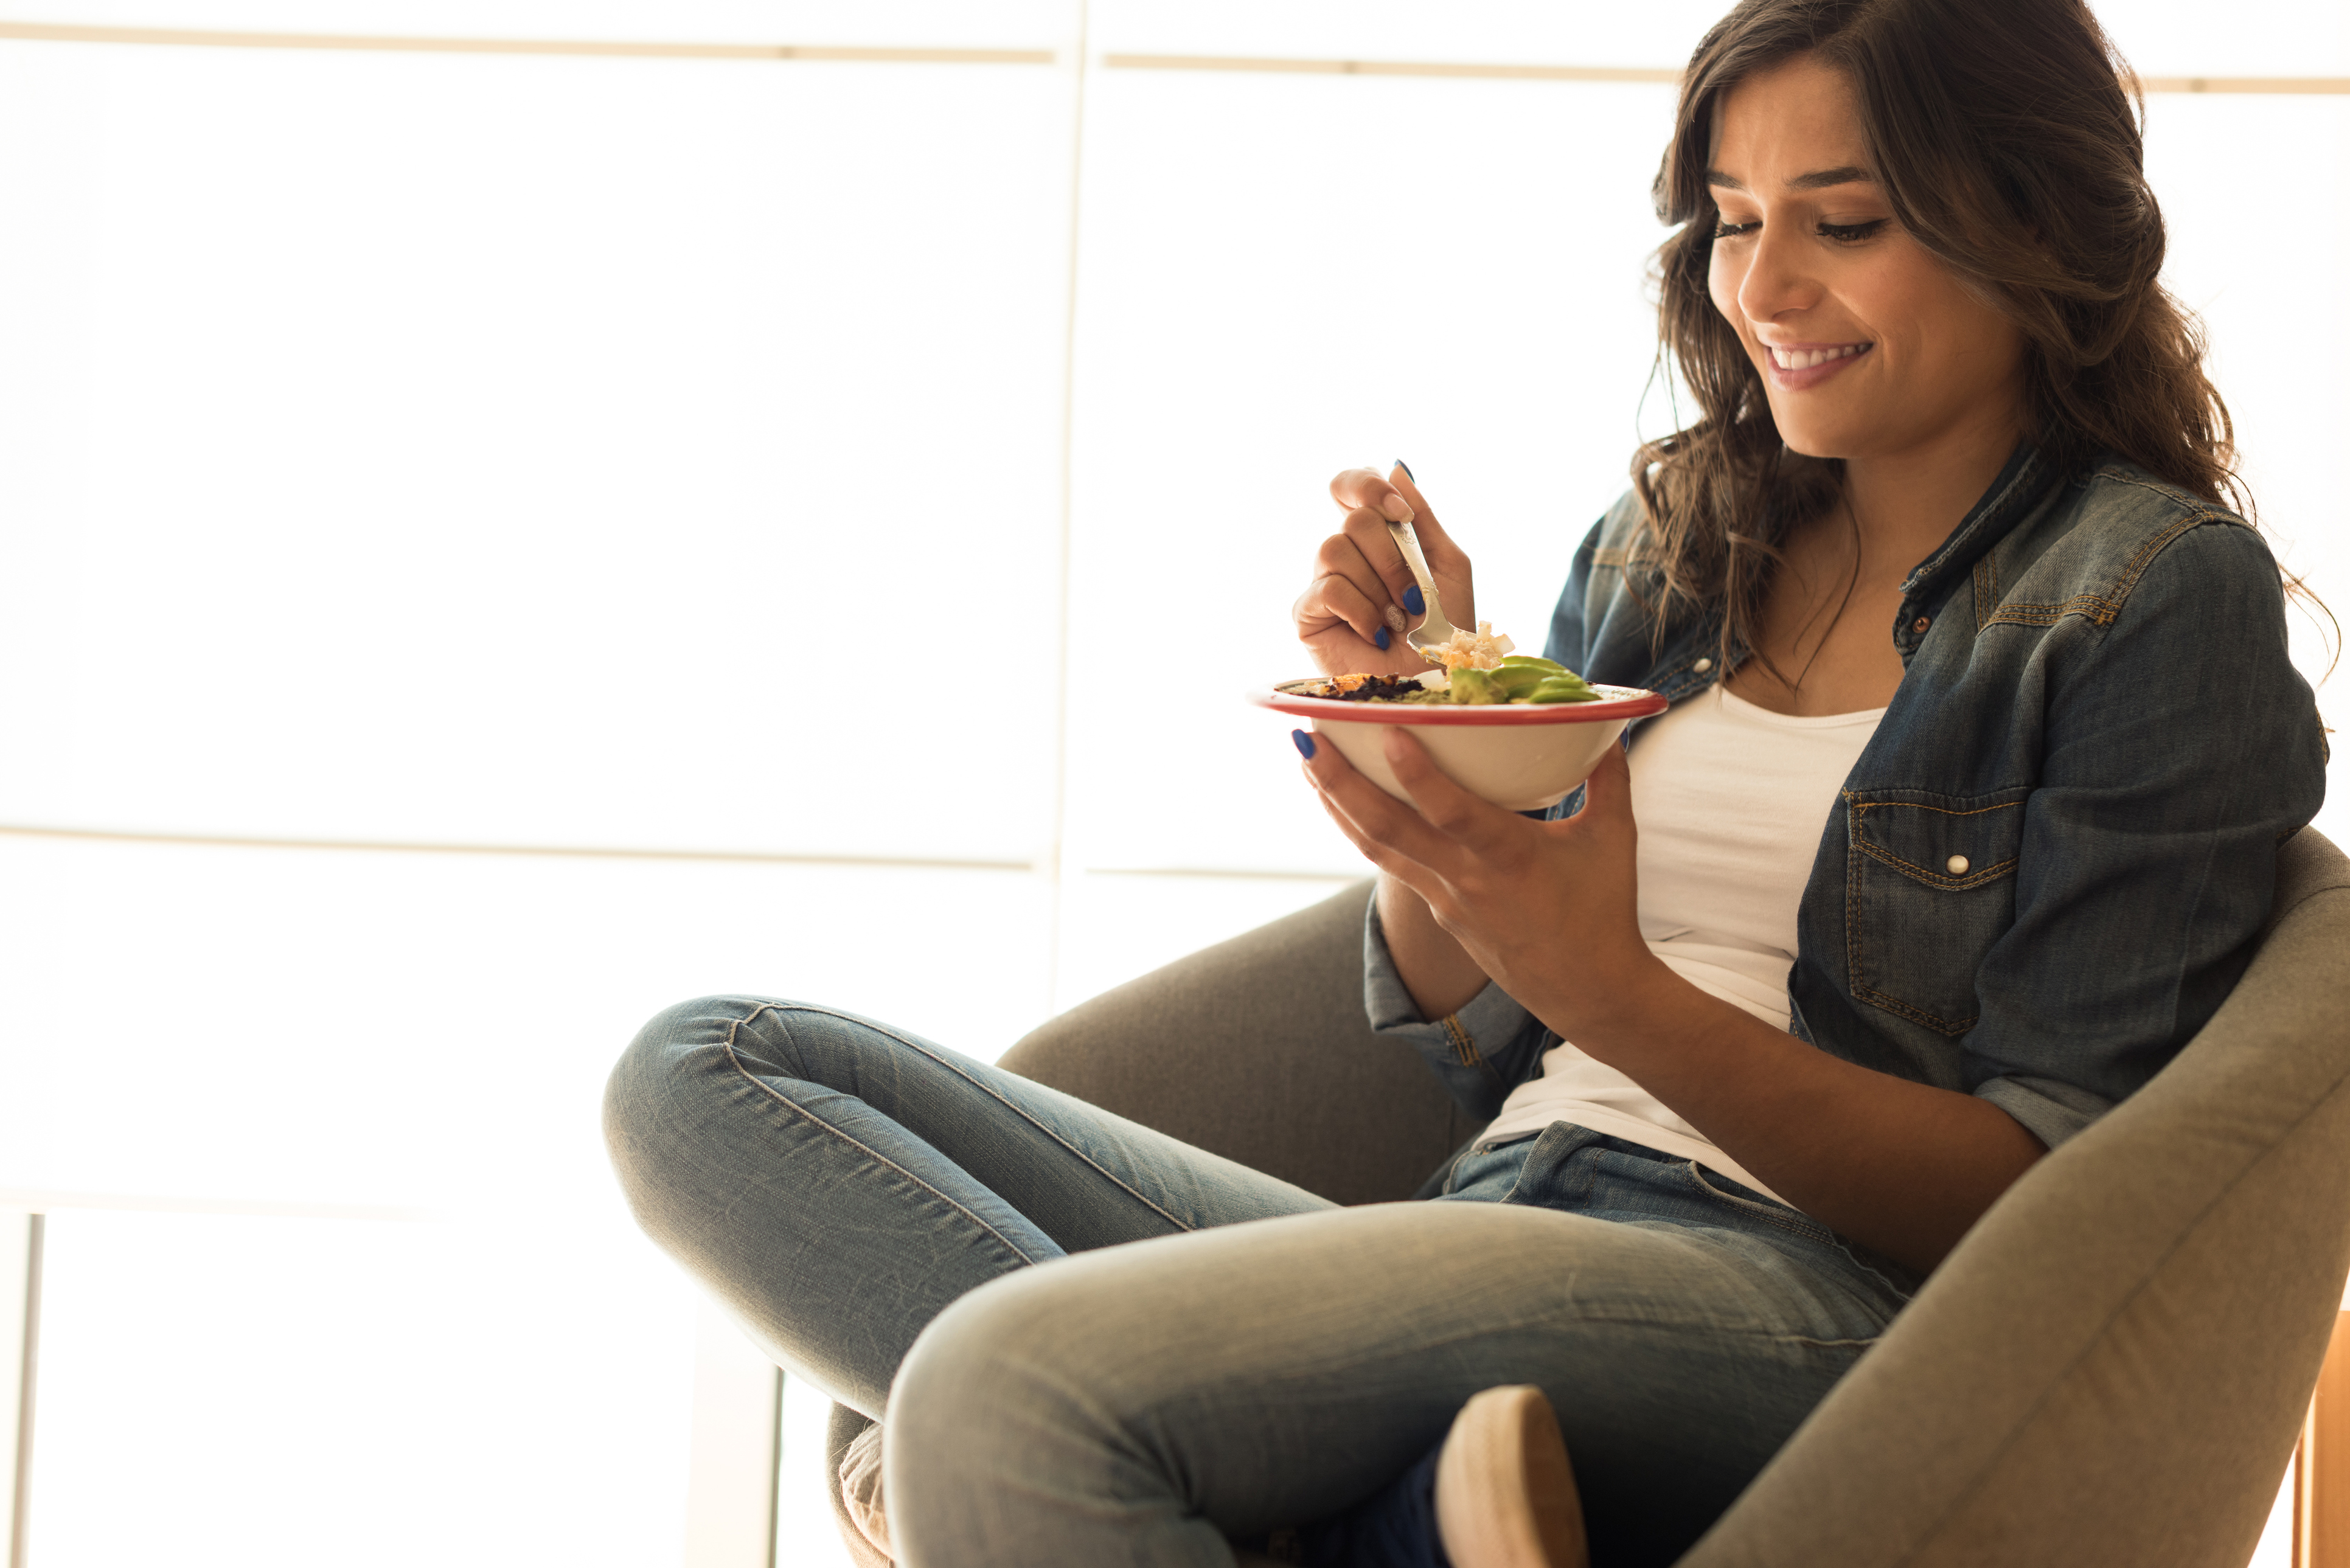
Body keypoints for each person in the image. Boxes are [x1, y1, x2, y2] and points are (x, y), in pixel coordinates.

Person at [601, 0, 2327, 1563]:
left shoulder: (2148, 597)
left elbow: (2040, 1211)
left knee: (989, 1390)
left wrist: (1615, 988)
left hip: (1804, 1304)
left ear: (2029, 223)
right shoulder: (1683, 532)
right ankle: (1376, 1515)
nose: (1764, 289)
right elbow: (1459, 1013)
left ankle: (1282, 1503)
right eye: (1733, 224)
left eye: (1846, 224)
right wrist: (1427, 751)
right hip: (1497, 1202)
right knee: (704, 1073)